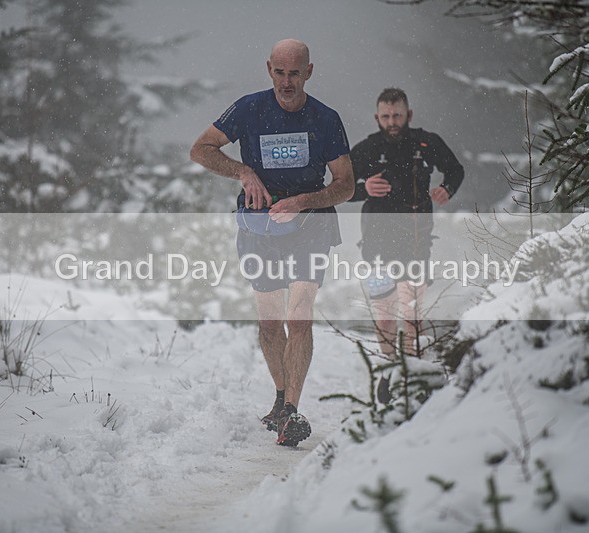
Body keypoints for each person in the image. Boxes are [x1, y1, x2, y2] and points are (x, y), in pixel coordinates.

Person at [190, 39, 354, 446]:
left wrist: (304, 201)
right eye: (279, 73)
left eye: (294, 73)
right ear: (269, 70)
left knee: (298, 316)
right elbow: (200, 150)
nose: (286, 82)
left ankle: (293, 413)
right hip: (259, 229)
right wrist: (243, 172)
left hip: (311, 227)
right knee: (269, 325)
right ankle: (281, 400)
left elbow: (346, 185)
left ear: (309, 72)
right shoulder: (249, 109)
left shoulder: (326, 120)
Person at [349, 87, 464, 368]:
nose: (392, 122)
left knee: (411, 309)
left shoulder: (426, 143)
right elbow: (338, 187)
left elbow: (455, 169)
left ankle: (415, 371)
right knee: (384, 311)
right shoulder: (367, 148)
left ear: (408, 115)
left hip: (416, 238)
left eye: (397, 115)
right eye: (386, 116)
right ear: (376, 117)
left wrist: (447, 189)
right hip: (376, 241)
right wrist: (364, 189)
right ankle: (387, 368)